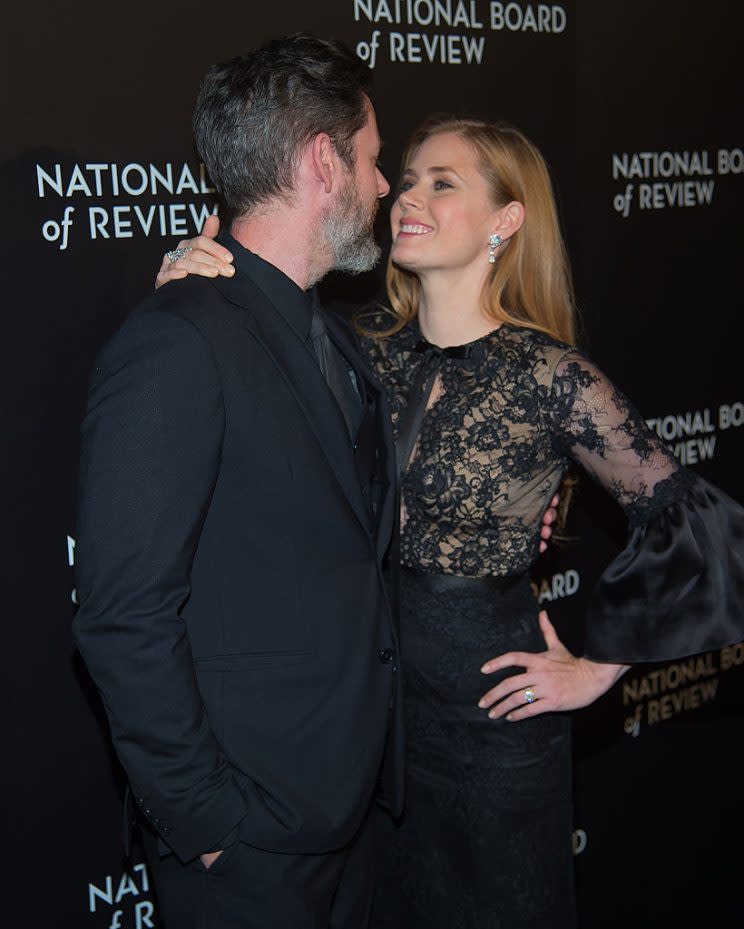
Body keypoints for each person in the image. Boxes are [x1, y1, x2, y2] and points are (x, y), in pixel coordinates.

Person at [161, 113, 744, 928]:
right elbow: (234, 376)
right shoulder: (358, 348)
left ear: (507, 220)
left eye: (444, 182)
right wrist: (188, 283)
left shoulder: (549, 375)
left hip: (491, 722)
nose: (409, 196)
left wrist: (601, 664)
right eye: (405, 178)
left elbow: (699, 526)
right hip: (370, 720)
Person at [73, 34, 403, 929]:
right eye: (372, 161)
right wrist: (208, 822)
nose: (383, 186)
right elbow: (121, 615)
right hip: (248, 850)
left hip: (350, 817)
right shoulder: (176, 343)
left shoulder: (330, 336)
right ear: (321, 163)